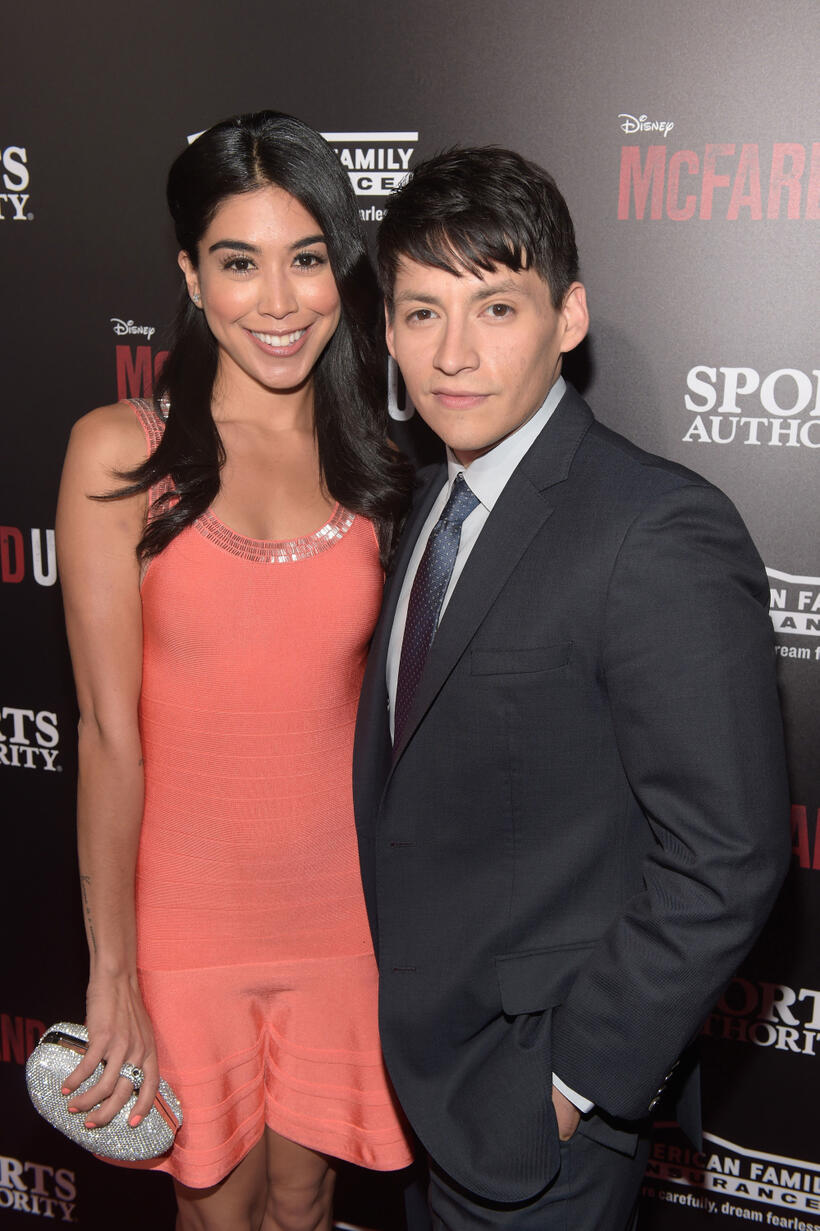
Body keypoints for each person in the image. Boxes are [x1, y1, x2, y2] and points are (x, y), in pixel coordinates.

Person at [352, 146, 790, 1230]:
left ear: (569, 315)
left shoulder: (654, 528)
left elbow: (728, 852)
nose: (451, 354)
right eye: (420, 313)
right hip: (411, 1084)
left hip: (530, 1119)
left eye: (494, 308)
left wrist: (564, 1087)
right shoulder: (421, 506)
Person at [56, 111, 414, 1231]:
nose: (277, 300)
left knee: (305, 1205)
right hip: (185, 923)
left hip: (344, 919)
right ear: (189, 274)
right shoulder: (121, 456)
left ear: (338, 269)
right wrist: (112, 966)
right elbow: (111, 733)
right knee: (218, 1208)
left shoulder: (383, 470)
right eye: (238, 261)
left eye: (306, 258)